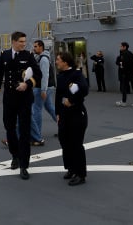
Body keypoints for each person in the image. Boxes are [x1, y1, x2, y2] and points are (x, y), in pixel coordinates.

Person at [0, 31, 40, 180]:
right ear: (13, 42)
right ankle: (15, 155)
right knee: (9, 128)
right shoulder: (5, 55)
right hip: (9, 99)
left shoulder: (28, 56)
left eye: (25, 42)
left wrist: (27, 84)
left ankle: (24, 166)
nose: (23, 44)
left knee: (24, 132)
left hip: (24, 99)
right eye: (21, 41)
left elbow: (38, 74)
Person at [55, 50, 88, 185]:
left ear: (65, 62)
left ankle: (80, 174)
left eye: (58, 59)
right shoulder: (61, 75)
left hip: (76, 114)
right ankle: (71, 168)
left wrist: (72, 100)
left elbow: (84, 90)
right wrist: (57, 113)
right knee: (64, 142)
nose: (56, 61)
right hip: (63, 115)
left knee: (76, 144)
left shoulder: (77, 74)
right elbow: (58, 96)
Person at [30, 39, 57, 146]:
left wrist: (43, 90)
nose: (34, 48)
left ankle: (36, 135)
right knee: (50, 108)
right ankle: (66, 127)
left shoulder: (44, 59)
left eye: (36, 46)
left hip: (42, 87)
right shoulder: (41, 57)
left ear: (41, 47)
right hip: (48, 87)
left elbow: (45, 75)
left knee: (36, 109)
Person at [116, 42, 133, 107]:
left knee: (124, 88)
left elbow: (125, 64)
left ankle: (124, 102)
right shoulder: (130, 53)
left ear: (124, 47)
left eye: (121, 46)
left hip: (126, 74)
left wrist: (122, 66)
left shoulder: (124, 54)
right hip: (131, 74)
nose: (120, 47)